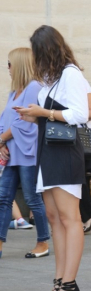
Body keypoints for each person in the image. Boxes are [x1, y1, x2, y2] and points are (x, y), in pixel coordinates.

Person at [17, 25, 90, 291]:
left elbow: (82, 114)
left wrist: (43, 112)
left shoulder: (71, 74)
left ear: (44, 51)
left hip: (64, 153)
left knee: (69, 219)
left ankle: (68, 285)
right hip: (48, 151)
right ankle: (61, 281)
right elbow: (56, 116)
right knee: (54, 217)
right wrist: (33, 117)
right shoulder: (51, 78)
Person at [0, 47, 50, 259]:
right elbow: (5, 120)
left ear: (19, 65)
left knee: (32, 198)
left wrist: (2, 139)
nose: (8, 68)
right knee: (3, 198)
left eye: (10, 64)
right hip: (12, 152)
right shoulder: (14, 92)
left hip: (27, 153)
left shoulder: (34, 88)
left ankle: (43, 241)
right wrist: (1, 142)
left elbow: (24, 122)